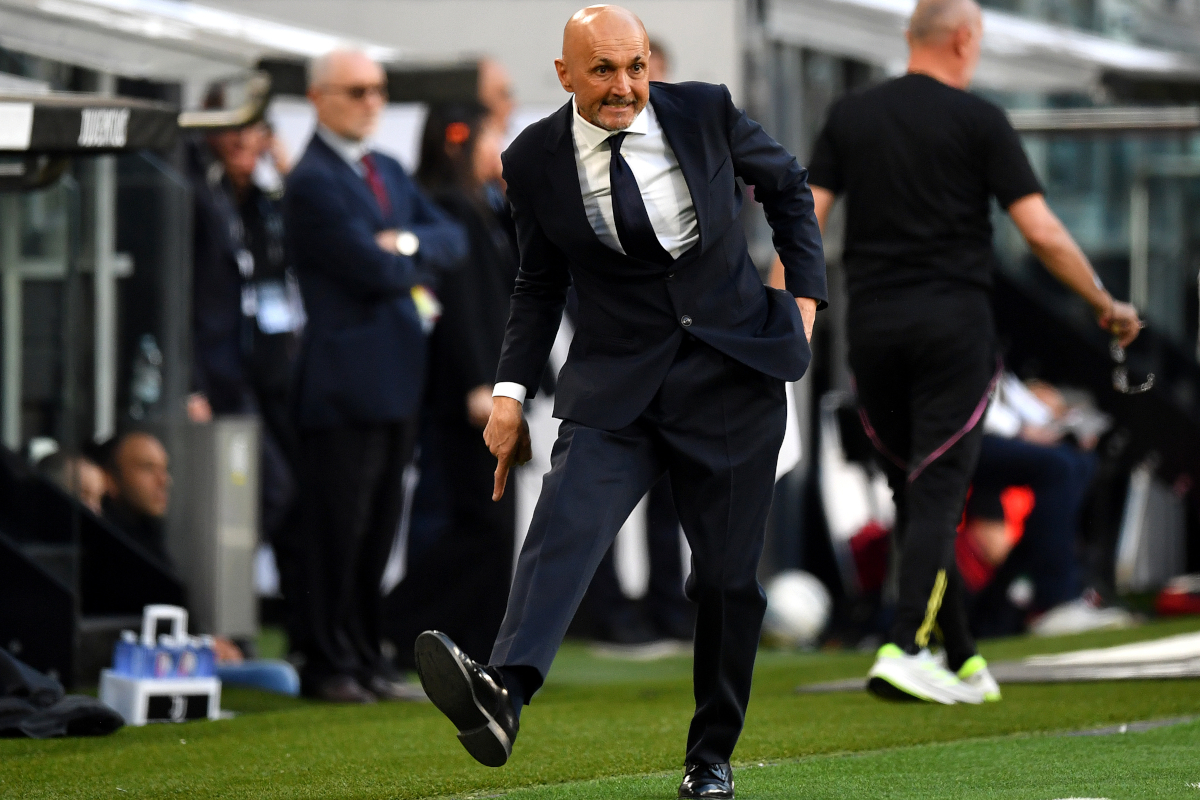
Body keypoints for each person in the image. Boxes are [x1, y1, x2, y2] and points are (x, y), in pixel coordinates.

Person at [413, 7, 825, 798]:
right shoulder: (531, 158)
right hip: (617, 383)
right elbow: (538, 284)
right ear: (565, 74)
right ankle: (504, 693)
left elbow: (788, 186)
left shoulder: (705, 110)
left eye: (635, 67)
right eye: (603, 69)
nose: (624, 86)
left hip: (733, 377)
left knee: (726, 583)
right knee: (563, 527)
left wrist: (805, 301)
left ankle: (710, 757)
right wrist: (509, 395)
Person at [806, 0, 1142, 704]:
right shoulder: (980, 119)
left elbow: (805, 222)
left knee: (914, 490)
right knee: (935, 490)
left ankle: (961, 654)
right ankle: (906, 646)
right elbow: (1041, 231)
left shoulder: (850, 115)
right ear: (964, 40)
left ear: (911, 37)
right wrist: (1104, 302)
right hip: (951, 333)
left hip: (873, 333)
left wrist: (790, 318)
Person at [285, 49, 468, 704]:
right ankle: (328, 659)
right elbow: (372, 268)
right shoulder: (312, 180)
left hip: (396, 375)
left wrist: (405, 243)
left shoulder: (384, 168)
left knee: (377, 528)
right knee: (337, 528)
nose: (371, 102)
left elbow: (450, 239)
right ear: (319, 98)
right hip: (344, 382)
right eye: (356, 90)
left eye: (378, 90)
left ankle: (364, 655)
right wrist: (403, 254)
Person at [385, 103, 520, 666]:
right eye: (491, 136)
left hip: (495, 386)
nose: (500, 148)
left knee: (492, 524)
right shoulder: (450, 208)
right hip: (471, 393)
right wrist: (476, 382)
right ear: (460, 142)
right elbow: (460, 307)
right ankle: (398, 626)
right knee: (478, 522)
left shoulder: (485, 208)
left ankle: (476, 643)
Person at [579, 30, 696, 649]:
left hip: (678, 351)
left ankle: (668, 606)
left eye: (646, 74)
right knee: (601, 486)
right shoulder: (581, 155)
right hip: (612, 353)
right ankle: (605, 610)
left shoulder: (691, 155)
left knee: (674, 489)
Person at [186, 106, 305, 657]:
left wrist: (283, 178)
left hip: (269, 376)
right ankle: (215, 621)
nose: (241, 140)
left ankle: (247, 626)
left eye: (252, 129)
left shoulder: (264, 200)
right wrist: (190, 384)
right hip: (217, 380)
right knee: (258, 494)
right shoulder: (193, 191)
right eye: (229, 126)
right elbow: (176, 294)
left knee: (283, 498)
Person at [98, 430, 300, 697]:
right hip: (154, 665)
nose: (163, 480)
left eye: (165, 469)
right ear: (110, 479)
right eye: (147, 468)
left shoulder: (154, 533)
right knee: (280, 678)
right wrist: (196, 645)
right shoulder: (106, 543)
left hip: (181, 655)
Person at [962, 374, 1134, 636]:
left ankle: (998, 606)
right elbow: (992, 546)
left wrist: (1047, 425)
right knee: (1059, 467)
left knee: (1081, 463)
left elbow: (1000, 387)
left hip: (993, 431)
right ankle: (1054, 601)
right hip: (955, 436)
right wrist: (1020, 430)